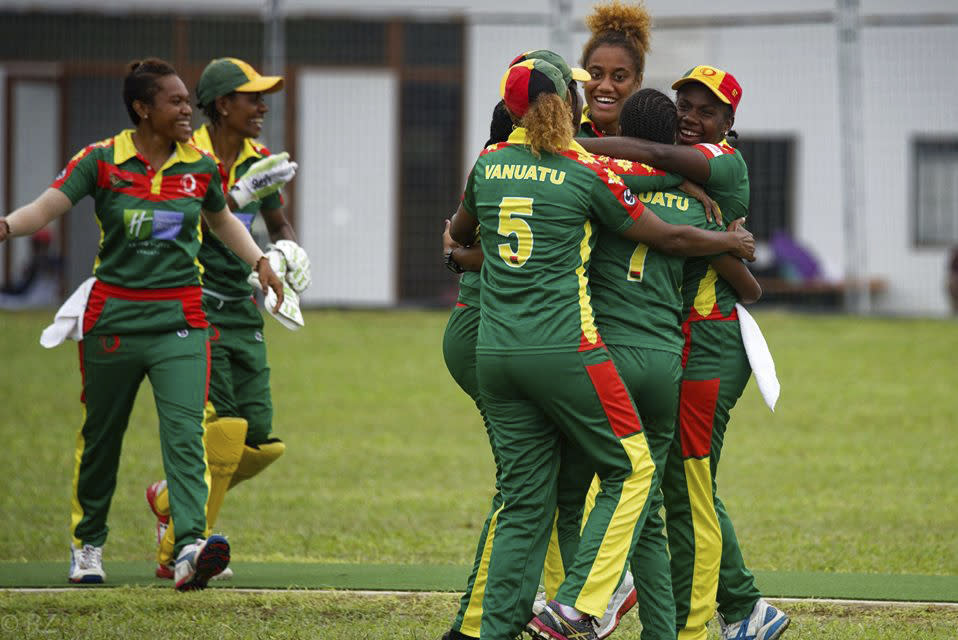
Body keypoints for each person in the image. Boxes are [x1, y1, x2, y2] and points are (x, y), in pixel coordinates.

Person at [449, 57, 754, 640]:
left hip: (497, 352)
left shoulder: (488, 164)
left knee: (526, 499)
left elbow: (463, 237)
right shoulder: (590, 173)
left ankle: (489, 628)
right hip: (590, 355)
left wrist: (456, 251)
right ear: (566, 102)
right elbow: (667, 231)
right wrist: (717, 227)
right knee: (640, 479)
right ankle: (587, 607)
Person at [0, 58, 286, 591]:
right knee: (102, 438)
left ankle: (189, 547)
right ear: (142, 109)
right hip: (114, 318)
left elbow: (222, 219)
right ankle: (88, 545)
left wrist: (261, 263)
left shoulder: (198, 165)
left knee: (186, 436)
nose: (185, 111)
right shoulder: (103, 160)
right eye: (175, 102)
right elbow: (46, 208)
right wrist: (6, 226)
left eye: (186, 100)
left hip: (181, 318)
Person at [581, 65, 789, 640]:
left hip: (709, 344)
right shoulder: (669, 181)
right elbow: (744, 279)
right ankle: (732, 605)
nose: (692, 119)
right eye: (685, 108)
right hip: (682, 342)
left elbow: (647, 160)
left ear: (729, 122)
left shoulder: (724, 162)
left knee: (689, 484)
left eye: (706, 110)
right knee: (669, 479)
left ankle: (702, 622)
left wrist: (573, 143)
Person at [145, 56, 310, 581]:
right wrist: (232, 197)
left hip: (242, 309)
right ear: (222, 105)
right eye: (252, 97)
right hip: (192, 304)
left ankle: (172, 494)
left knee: (261, 442)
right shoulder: (184, 157)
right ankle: (182, 551)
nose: (263, 107)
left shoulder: (260, 158)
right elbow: (175, 226)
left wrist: (286, 254)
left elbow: (277, 222)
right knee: (224, 432)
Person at [578, 0, 651, 138]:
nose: (605, 86)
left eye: (619, 77)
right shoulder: (562, 134)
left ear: (638, 81)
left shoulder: (654, 140)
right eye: (595, 74)